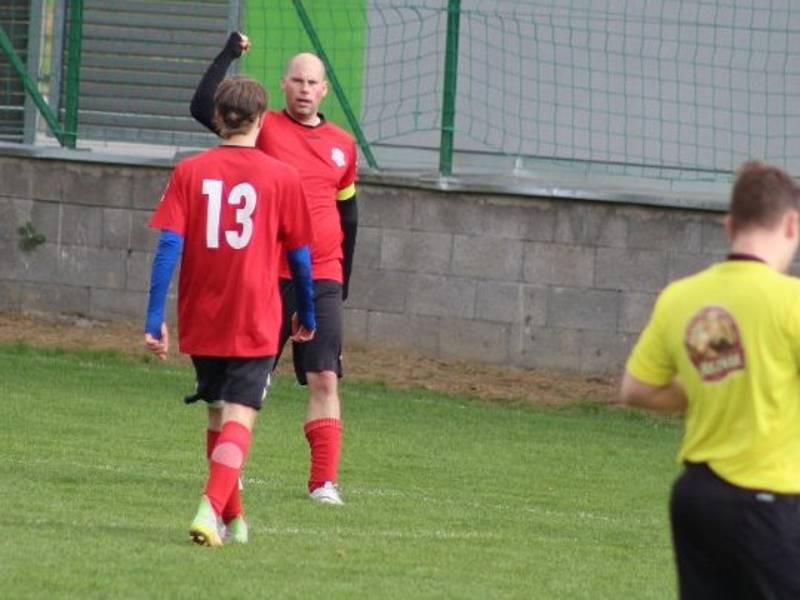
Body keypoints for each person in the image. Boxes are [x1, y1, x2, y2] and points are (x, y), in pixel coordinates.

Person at [144, 75, 316, 546]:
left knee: (218, 417)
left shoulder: (189, 172)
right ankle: (207, 510)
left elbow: (166, 249)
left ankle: (233, 520)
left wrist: (153, 316)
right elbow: (301, 256)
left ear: (218, 118)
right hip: (255, 316)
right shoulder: (282, 177)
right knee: (240, 419)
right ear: (262, 120)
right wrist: (307, 311)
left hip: (202, 317)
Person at [190, 32, 358, 505]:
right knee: (244, 382)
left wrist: (343, 280)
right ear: (284, 85)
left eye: (314, 82)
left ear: (325, 89)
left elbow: (349, 216)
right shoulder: (263, 130)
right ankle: (230, 476)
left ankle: (323, 482)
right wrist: (227, 54)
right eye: (297, 80)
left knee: (326, 377)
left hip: (323, 274)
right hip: (264, 273)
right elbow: (203, 105)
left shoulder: (343, 146)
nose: (305, 89)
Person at [620, 161, 800, 598]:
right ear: (792, 224)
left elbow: (636, 390)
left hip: (698, 500)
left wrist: (712, 383)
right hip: (770, 500)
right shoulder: (792, 302)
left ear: (729, 226)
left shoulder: (680, 297)